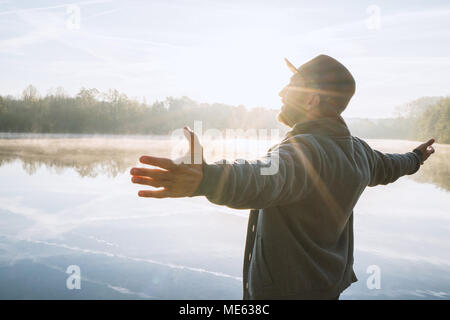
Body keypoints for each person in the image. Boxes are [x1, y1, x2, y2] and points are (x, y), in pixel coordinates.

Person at [130, 54, 436, 300]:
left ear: (312, 99)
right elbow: (393, 165)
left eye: (291, 85)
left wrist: (208, 179)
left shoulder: (305, 152)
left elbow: (264, 178)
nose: (280, 92)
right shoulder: (359, 152)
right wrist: (417, 157)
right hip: (327, 287)